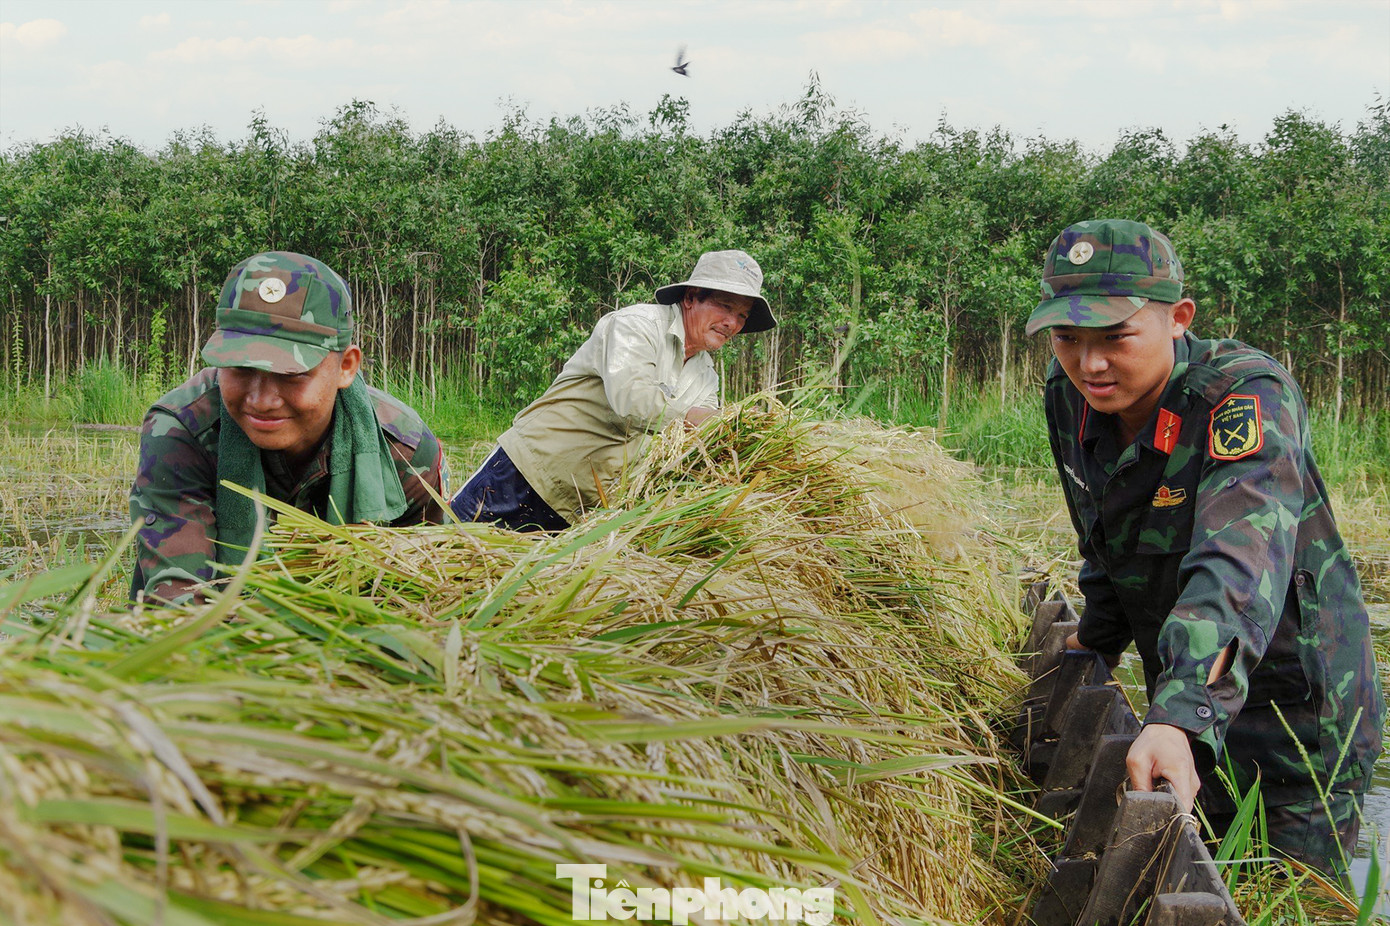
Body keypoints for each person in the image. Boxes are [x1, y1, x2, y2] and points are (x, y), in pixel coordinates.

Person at [1027, 218, 1383, 878]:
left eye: (1115, 337)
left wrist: (1181, 713)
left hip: (1292, 719)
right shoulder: (1068, 394)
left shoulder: (1241, 396)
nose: (1089, 363)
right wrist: (1098, 634)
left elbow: (1238, 563)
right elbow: (1102, 526)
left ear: (1179, 318)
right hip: (1184, 702)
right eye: (1067, 338)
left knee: (1282, 899)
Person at [130, 251, 447, 604]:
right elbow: (178, 602)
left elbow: (427, 594)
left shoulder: (405, 450)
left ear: (346, 366)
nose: (262, 399)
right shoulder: (181, 430)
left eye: (291, 375)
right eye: (241, 368)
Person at [451, 249, 775, 530]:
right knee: (448, 561)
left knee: (522, 595)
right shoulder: (636, 326)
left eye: (742, 315)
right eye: (725, 306)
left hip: (584, 508)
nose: (732, 323)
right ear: (690, 298)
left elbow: (695, 441)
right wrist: (706, 420)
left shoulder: (706, 375)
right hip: (526, 473)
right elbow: (632, 399)